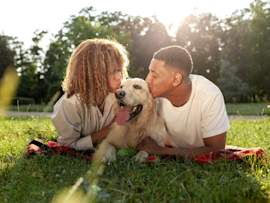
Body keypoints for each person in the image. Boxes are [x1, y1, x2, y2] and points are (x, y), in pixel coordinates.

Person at [137, 45, 229, 158]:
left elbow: (217, 150)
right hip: (171, 145)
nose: (147, 80)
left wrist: (160, 150)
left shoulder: (209, 95)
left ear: (176, 79)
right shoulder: (153, 96)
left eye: (154, 75)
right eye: (149, 72)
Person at [50, 38, 129, 151]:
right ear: (91, 74)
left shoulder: (119, 97)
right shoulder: (70, 104)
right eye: (113, 71)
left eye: (120, 70)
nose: (119, 76)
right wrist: (108, 130)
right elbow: (67, 146)